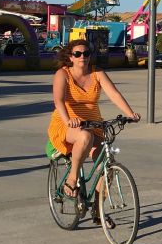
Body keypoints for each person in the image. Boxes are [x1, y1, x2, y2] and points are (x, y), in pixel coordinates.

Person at [47, 39, 139, 226]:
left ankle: (98, 209)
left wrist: (130, 114)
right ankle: (72, 180)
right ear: (70, 57)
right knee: (84, 136)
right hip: (66, 124)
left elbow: (113, 94)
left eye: (86, 53)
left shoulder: (97, 73)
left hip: (94, 124)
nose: (82, 57)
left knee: (106, 163)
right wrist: (69, 121)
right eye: (78, 54)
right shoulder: (62, 74)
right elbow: (58, 100)